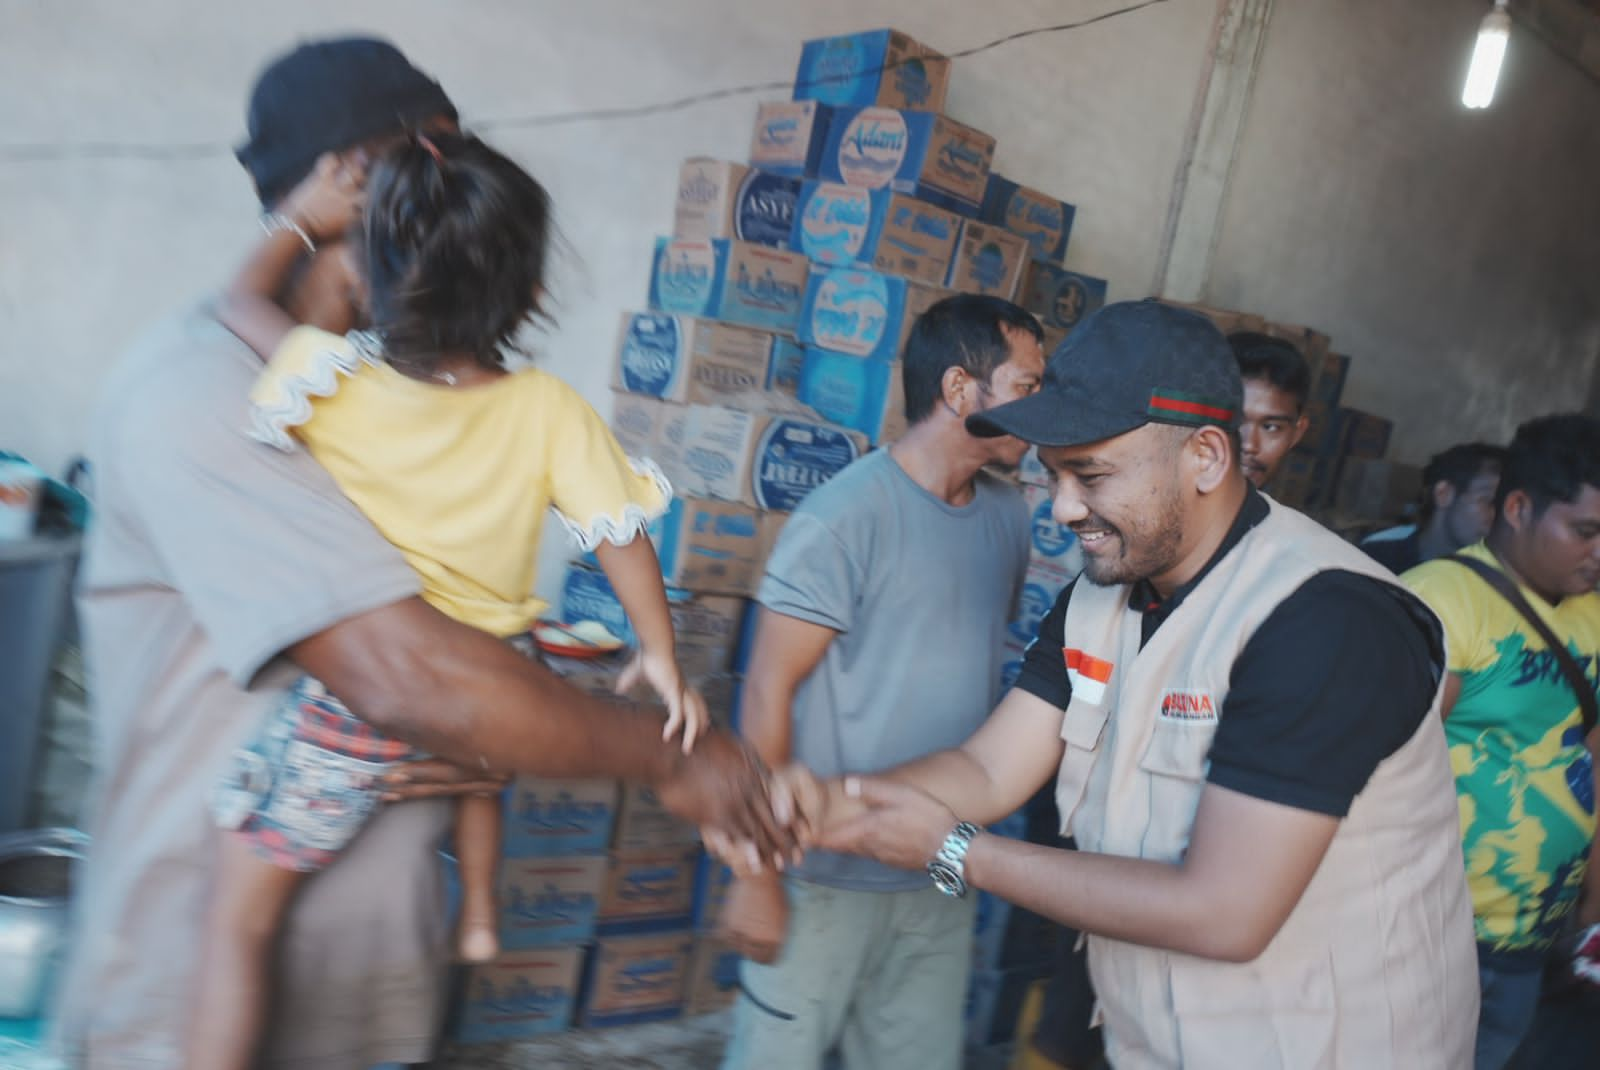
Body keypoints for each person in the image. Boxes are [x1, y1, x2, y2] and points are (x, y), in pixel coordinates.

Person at [54, 37, 783, 1070]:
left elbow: (455, 675)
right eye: (436, 157)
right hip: (185, 1013)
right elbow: (412, 674)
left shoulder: (362, 389)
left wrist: (503, 716)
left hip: (354, 993)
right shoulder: (206, 393)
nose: (452, 186)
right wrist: (673, 750)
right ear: (354, 179)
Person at [764, 301, 1479, 1067]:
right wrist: (833, 803)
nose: (1064, 508)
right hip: (1159, 1039)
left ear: (1205, 456)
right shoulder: (1104, 593)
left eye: (1091, 475)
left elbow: (1224, 911)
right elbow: (988, 768)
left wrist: (954, 851)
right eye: (1052, 473)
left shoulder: (1326, 620)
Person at [184, 132, 713, 1069]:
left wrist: (299, 221)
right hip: (501, 675)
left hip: (370, 698)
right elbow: (620, 531)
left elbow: (239, 302)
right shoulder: (550, 408)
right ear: (533, 294)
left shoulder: (331, 384)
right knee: (486, 753)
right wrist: (659, 654)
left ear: (369, 277)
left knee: (236, 913)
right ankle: (476, 912)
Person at [716, 295, 1044, 1070]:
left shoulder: (1008, 518)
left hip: (937, 866)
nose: (1045, 409)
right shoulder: (845, 518)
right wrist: (755, 875)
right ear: (962, 391)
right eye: (1029, 388)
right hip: (821, 872)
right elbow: (765, 693)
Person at [1402, 414, 1600, 1069]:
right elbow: (1383, 768)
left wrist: (1591, 908)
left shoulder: (1594, 614)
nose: (1599, 551)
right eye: (1586, 531)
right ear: (1518, 508)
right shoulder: (1442, 601)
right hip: (1431, 933)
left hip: (1535, 937)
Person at [1362, 442, 1506, 574]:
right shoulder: (1375, 560)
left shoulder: (1494, 581)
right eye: (1489, 501)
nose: (1500, 518)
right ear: (1444, 494)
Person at [1228, 330, 1310, 489]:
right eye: (1233, 420)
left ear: (1297, 433)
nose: (1249, 445)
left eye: (1270, 427)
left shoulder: (1285, 516)